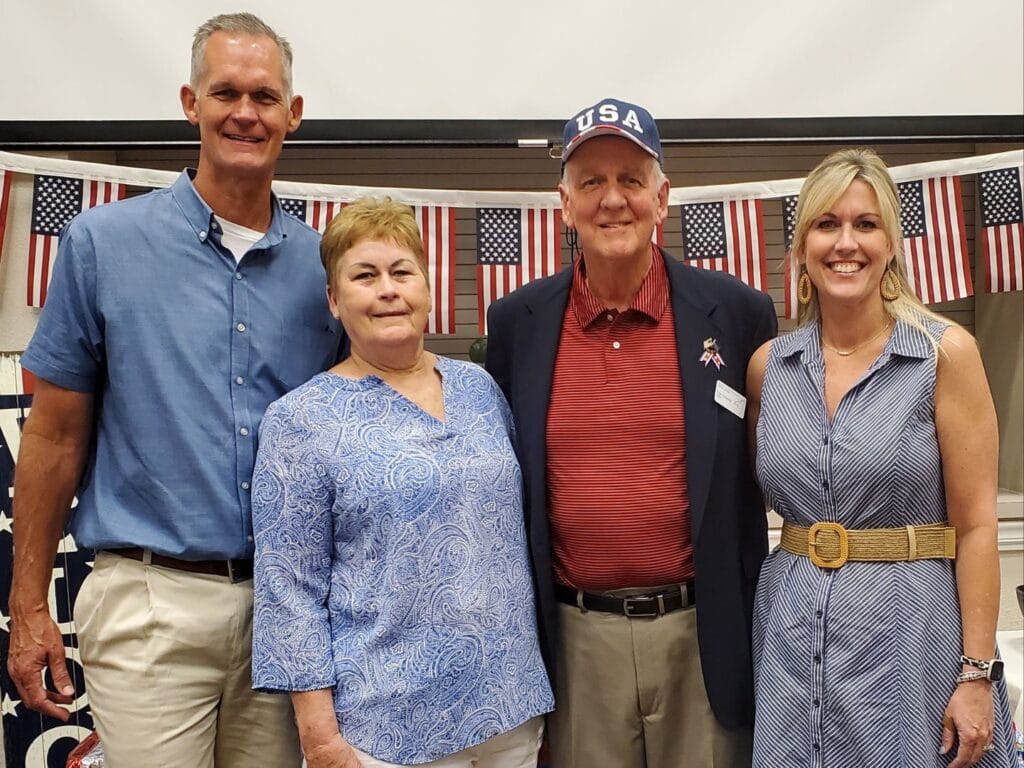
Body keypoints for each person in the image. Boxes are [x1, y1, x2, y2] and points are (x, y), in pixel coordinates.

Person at [7, 13, 341, 767]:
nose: (245, 113)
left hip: (287, 612)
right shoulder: (102, 243)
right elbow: (55, 434)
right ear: (191, 102)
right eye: (226, 92)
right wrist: (28, 606)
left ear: (293, 114)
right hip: (151, 604)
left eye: (264, 95)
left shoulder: (328, 268)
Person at [485, 98, 778, 768]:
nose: (611, 200)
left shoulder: (736, 313)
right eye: (591, 181)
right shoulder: (517, 323)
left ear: (662, 197)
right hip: (575, 642)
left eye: (630, 179)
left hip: (705, 640)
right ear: (564, 202)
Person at [250, 197, 553, 768]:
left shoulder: (480, 389)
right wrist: (319, 738)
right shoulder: (301, 421)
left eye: (401, 271)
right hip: (385, 729)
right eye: (365, 276)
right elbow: (289, 589)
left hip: (511, 710)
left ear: (427, 288)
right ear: (335, 302)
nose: (387, 289)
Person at [746, 147, 1017, 768]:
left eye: (866, 224)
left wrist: (976, 673)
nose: (847, 243)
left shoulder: (944, 354)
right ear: (802, 246)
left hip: (910, 639)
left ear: (892, 243)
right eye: (827, 224)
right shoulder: (770, 368)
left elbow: (976, 525)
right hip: (791, 639)